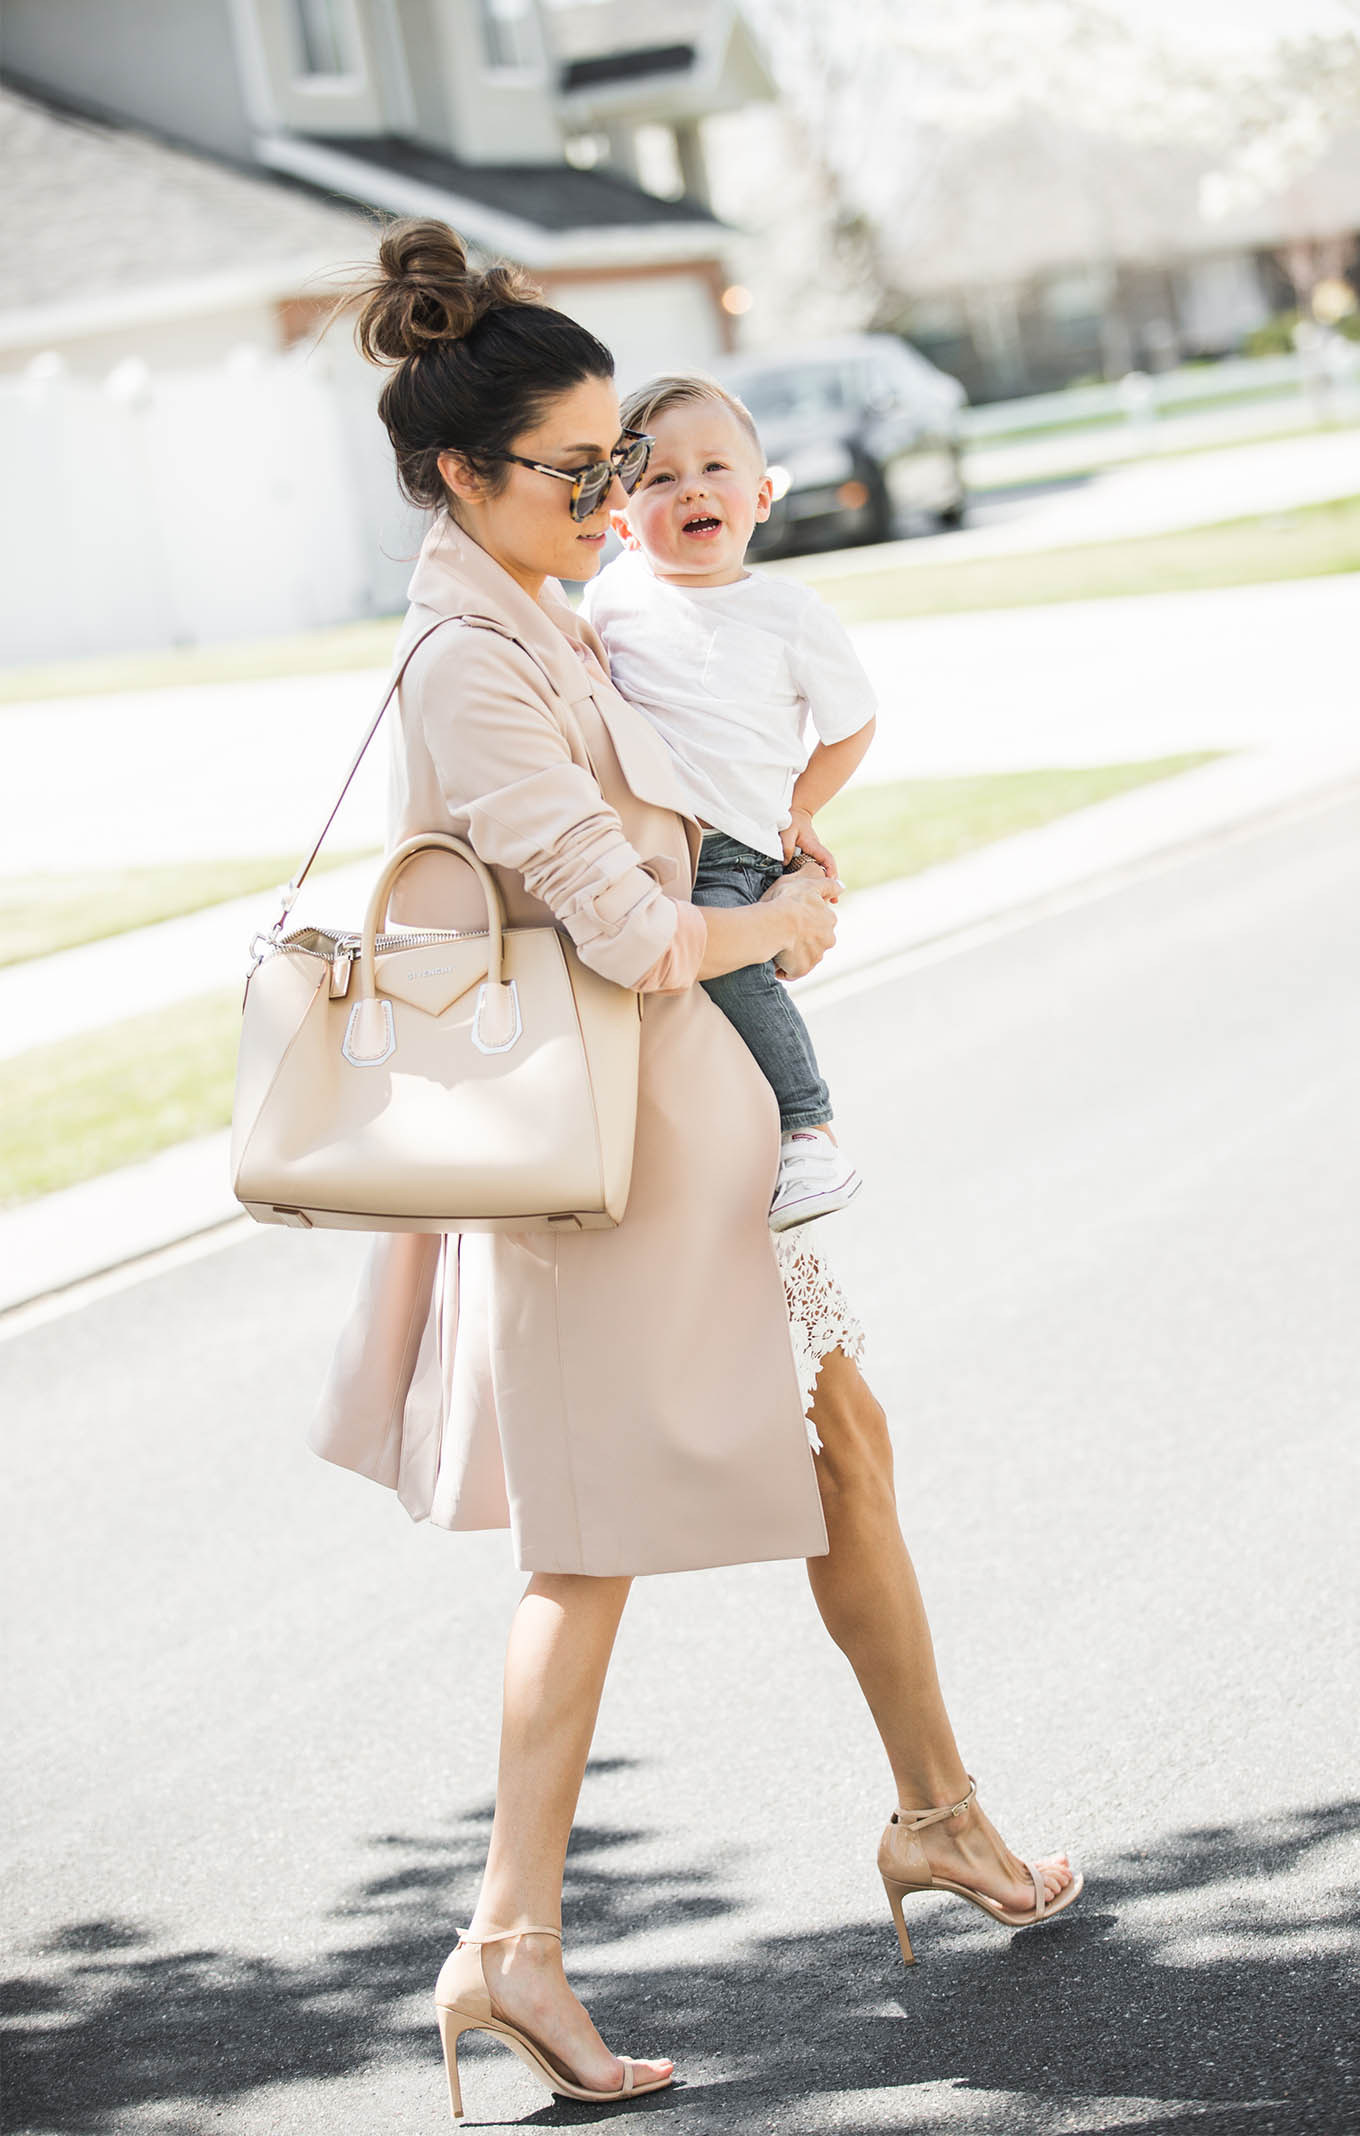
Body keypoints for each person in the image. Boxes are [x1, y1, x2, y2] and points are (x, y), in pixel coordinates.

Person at [312, 219, 1081, 2123]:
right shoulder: (467, 666)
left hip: (692, 1153)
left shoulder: (547, 608)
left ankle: (940, 1818)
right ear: (460, 474)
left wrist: (770, 857)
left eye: (614, 465)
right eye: (577, 473)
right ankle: (507, 1945)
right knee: (582, 1559)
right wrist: (787, 924)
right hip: (603, 1183)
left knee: (847, 1455)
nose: (614, 496)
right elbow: (634, 930)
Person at [582, 374, 875, 1232]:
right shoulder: (611, 599)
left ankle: (805, 1128)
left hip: (736, 844)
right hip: (645, 842)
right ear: (622, 517)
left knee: (724, 944)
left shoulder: (788, 613)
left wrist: (802, 811)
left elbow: (852, 726)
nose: (692, 488)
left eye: (715, 467)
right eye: (660, 477)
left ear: (762, 494)